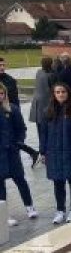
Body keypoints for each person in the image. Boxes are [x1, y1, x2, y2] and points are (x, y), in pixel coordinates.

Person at [40, 83, 71, 224]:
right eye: (57, 92)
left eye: (63, 91)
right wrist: (43, 151)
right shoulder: (48, 111)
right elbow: (43, 133)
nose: (60, 94)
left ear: (68, 93)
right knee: (58, 183)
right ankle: (60, 210)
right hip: (54, 152)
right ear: (54, 94)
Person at [0, 83, 37, 225]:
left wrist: (18, 142)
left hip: (12, 152)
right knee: (0, 185)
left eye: (2, 93)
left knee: (20, 180)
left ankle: (29, 206)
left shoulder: (12, 109)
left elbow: (21, 128)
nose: (0, 96)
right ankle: (4, 215)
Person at [28, 57, 55, 167]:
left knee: (40, 130)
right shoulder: (51, 76)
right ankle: (46, 154)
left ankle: (43, 152)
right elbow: (54, 89)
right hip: (46, 105)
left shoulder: (39, 72)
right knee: (47, 131)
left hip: (37, 104)